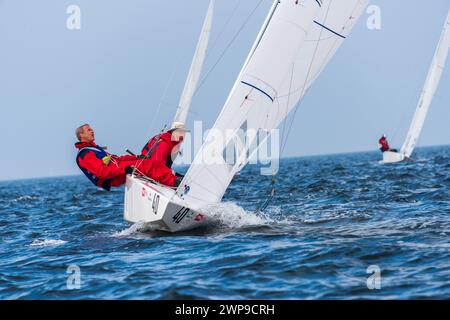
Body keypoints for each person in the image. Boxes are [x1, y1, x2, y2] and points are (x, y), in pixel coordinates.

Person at [74, 124, 181, 190]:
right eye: (89, 130)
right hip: (113, 177)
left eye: (92, 129)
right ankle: (176, 184)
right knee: (147, 165)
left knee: (148, 160)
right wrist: (125, 170)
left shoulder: (94, 149)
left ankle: (175, 178)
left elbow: (117, 159)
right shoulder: (85, 154)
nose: (92, 131)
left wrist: (136, 157)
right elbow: (103, 172)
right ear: (81, 135)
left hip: (117, 169)